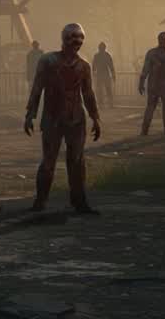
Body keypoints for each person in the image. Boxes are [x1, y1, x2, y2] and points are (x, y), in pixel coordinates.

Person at [24, 23, 101, 214]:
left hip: (76, 119)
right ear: (64, 39)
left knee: (76, 161)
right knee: (49, 161)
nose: (76, 42)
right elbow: (37, 88)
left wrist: (95, 118)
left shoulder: (84, 66)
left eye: (79, 38)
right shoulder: (48, 61)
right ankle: (40, 201)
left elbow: (88, 93)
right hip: (53, 118)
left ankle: (79, 202)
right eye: (72, 38)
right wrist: (30, 114)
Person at [92, 41, 116, 106]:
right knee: (108, 89)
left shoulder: (96, 56)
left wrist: (94, 73)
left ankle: (101, 103)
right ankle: (110, 104)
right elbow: (111, 66)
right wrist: (113, 75)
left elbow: (94, 66)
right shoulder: (107, 55)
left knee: (100, 90)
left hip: (99, 74)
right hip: (106, 74)